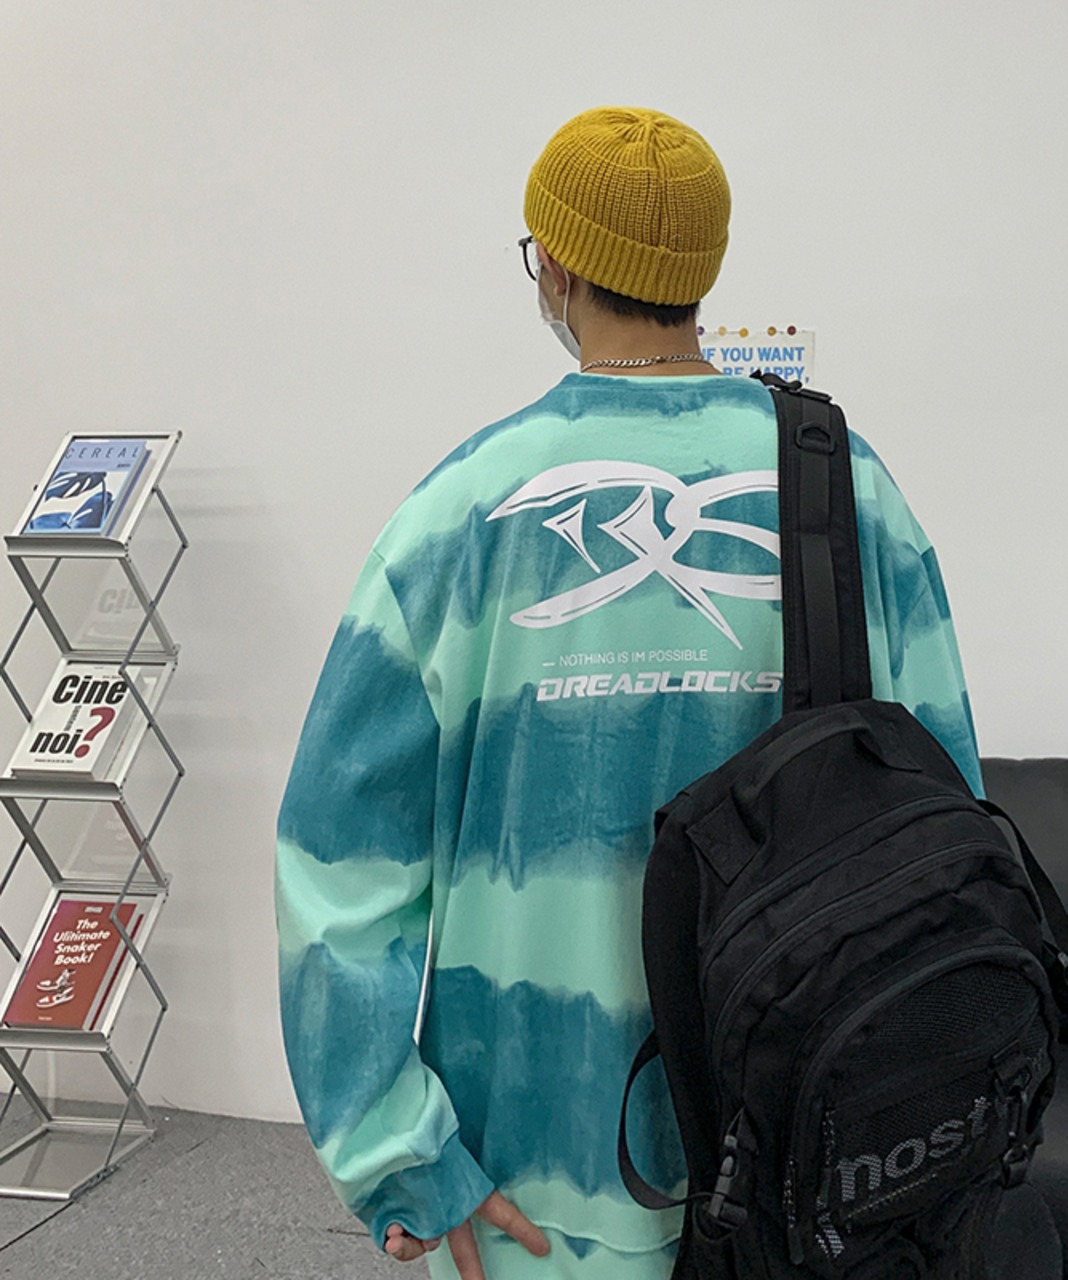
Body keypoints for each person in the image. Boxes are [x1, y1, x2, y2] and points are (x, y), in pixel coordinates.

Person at [275, 105, 984, 1280]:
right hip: (802, 1151)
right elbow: (943, 812)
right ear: (700, 272)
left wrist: (400, 1152)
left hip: (530, 1175)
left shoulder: (459, 512)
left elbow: (338, 867)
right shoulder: (849, 491)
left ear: (554, 269)